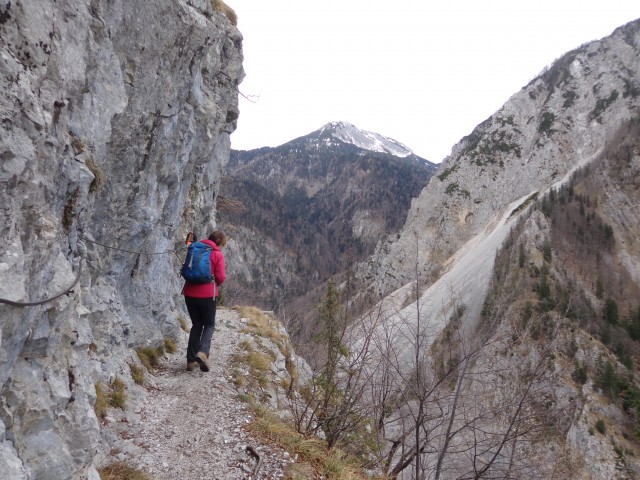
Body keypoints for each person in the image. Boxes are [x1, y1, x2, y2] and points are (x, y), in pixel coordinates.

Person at [183, 230, 227, 372]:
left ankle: (190, 361)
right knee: (209, 324)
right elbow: (220, 277)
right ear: (219, 242)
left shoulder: (194, 248)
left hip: (189, 293)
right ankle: (203, 352)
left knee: (196, 324)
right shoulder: (217, 253)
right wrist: (214, 283)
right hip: (207, 295)